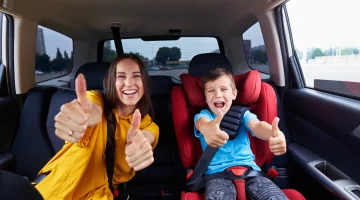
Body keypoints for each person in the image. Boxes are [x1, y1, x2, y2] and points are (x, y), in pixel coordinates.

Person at [35, 54, 159, 200]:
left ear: (145, 82)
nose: (129, 83)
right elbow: (91, 110)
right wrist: (81, 116)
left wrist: (141, 144)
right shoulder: (96, 100)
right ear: (111, 82)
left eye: (136, 76)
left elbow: (149, 135)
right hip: (56, 188)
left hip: (100, 194)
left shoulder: (147, 124)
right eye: (121, 76)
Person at [194, 68, 288, 200]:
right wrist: (208, 129)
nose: (218, 95)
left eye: (224, 89)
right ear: (205, 97)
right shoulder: (204, 116)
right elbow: (201, 124)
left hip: (250, 171)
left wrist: (274, 134)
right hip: (217, 175)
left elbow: (257, 126)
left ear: (234, 94)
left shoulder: (244, 114)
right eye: (211, 90)